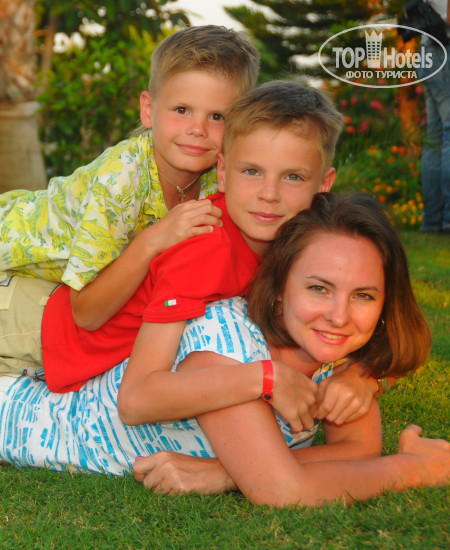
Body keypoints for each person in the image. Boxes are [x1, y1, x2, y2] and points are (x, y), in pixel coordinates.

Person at [0, 193, 447, 509]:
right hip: (22, 415)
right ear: (278, 291)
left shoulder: (343, 360)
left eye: (363, 295)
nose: (339, 315)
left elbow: (357, 451)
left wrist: (224, 471)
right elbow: (282, 491)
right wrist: (415, 468)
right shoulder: (228, 346)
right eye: (318, 288)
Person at [7, 81, 345, 402]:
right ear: (223, 173)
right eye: (252, 172)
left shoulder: (303, 245)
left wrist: (357, 375)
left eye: (293, 177)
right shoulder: (208, 246)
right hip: (35, 327)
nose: (269, 194)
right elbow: (135, 394)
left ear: (323, 184)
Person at [0, 25, 260, 375]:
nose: (198, 129)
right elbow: (86, 314)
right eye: (182, 109)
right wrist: (154, 239)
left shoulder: (218, 175)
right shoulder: (121, 179)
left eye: (218, 116)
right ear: (148, 110)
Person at [416, 1, 450, 233]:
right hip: (444, 51)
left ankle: (432, 220)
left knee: (434, 140)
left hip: (427, 51)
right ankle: (447, 219)